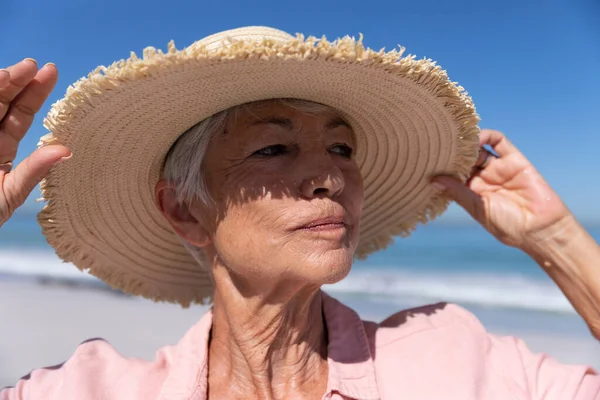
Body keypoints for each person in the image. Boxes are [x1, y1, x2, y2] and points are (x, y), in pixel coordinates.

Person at [1, 26, 599, 400]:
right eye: (273, 148)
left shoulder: (455, 361)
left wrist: (557, 242)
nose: (331, 176)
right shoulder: (91, 388)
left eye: (342, 149)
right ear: (184, 209)